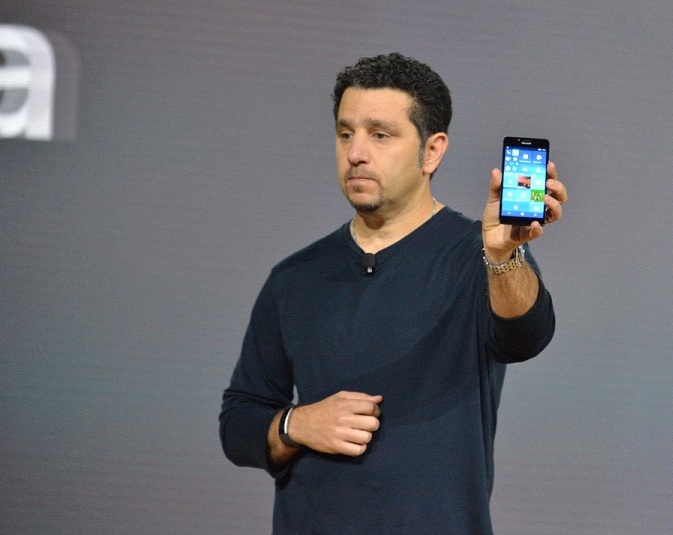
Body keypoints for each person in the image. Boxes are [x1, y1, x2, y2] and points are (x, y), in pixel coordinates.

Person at [219, 53, 568, 534]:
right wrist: (294, 424)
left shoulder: (479, 259)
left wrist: (502, 255)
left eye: (380, 135)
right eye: (346, 134)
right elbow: (238, 422)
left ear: (432, 152)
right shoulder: (294, 278)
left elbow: (526, 337)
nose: (356, 153)